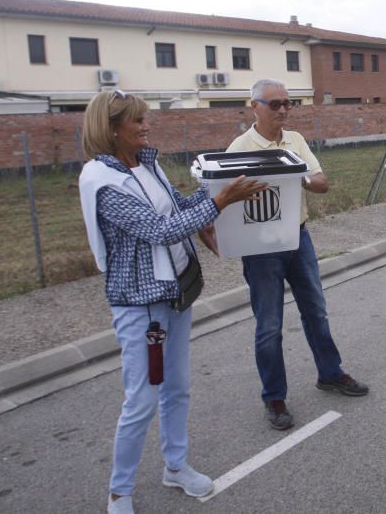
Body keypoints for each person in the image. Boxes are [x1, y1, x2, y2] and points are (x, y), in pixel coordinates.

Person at [79, 90, 267, 514]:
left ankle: (176, 467)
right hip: (142, 305)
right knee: (142, 397)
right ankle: (119, 491)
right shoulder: (103, 180)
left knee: (177, 388)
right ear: (111, 130)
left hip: (177, 292)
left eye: (146, 118)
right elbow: (159, 230)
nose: (147, 126)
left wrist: (217, 190)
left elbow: (179, 209)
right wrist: (220, 201)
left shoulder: (147, 164)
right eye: (138, 121)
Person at [226, 79, 368, 432]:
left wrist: (295, 176)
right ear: (253, 107)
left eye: (288, 103)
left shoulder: (296, 142)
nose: (283, 110)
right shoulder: (239, 148)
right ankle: (274, 396)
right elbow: (224, 199)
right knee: (269, 325)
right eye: (274, 104)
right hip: (260, 248)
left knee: (316, 311)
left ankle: (330, 374)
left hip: (297, 237)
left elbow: (322, 183)